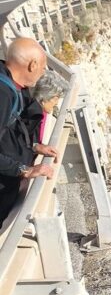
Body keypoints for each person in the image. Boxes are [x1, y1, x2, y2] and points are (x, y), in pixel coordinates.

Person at [0, 37, 57, 227]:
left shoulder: (11, 83)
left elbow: (7, 132)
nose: (42, 74)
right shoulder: (3, 94)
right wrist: (25, 170)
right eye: (42, 68)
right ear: (33, 65)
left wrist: (34, 146)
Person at [28, 71, 65, 144]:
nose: (57, 103)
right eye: (56, 98)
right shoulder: (33, 115)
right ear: (44, 97)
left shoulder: (38, 111)